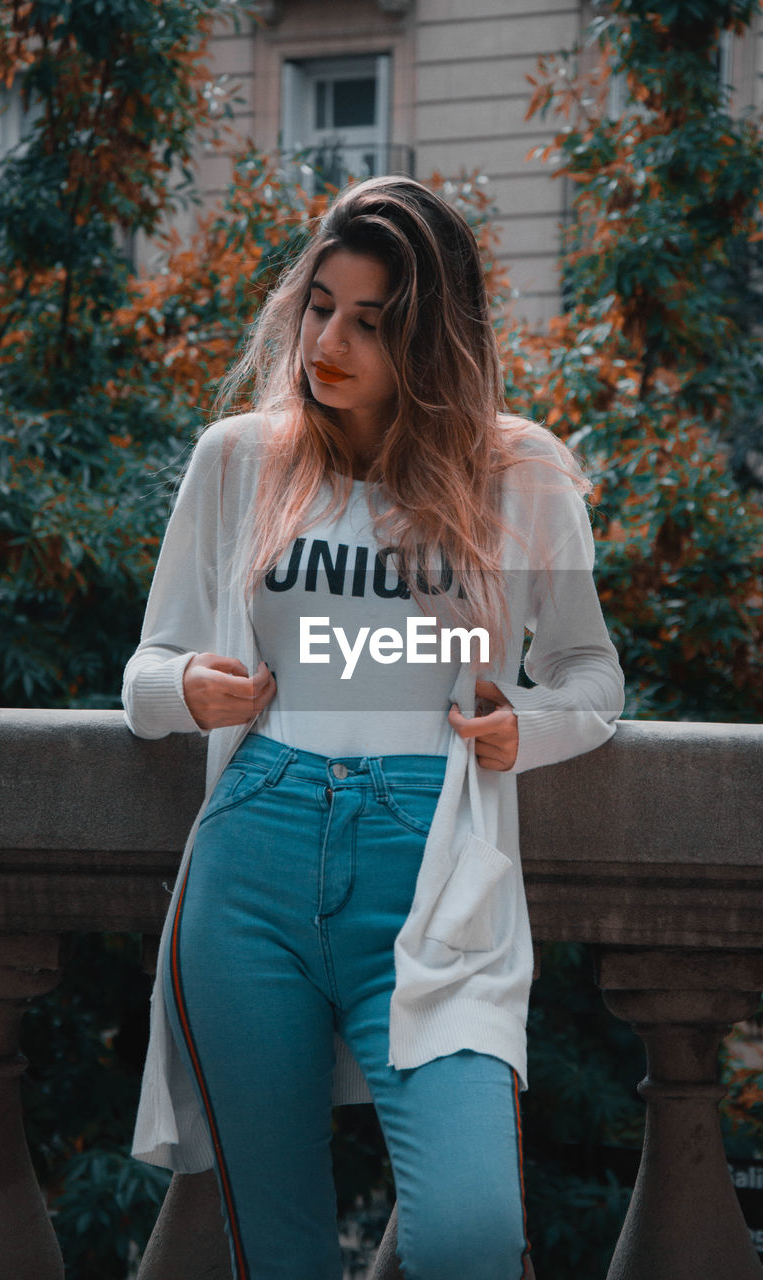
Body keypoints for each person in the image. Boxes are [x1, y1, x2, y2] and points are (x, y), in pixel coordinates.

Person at [123, 175, 624, 1280]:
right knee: (280, 1243)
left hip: (431, 862)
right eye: (318, 305)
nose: (329, 340)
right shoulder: (238, 459)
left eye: (370, 319)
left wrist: (521, 727)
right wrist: (185, 691)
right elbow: (144, 667)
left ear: (430, 335)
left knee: (471, 1238)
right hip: (254, 845)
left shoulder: (518, 472)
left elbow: (590, 674)